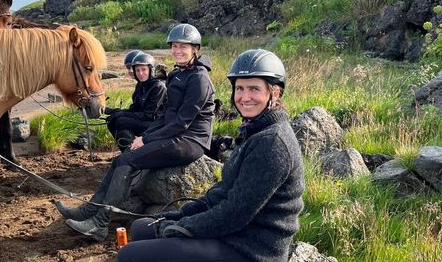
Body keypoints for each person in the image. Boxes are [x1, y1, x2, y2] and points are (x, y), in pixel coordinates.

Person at [117, 49, 305, 262]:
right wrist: (175, 216)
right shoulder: (255, 130)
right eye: (240, 88)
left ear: (275, 93)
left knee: (130, 255)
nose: (245, 97)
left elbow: (234, 213)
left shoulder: (272, 143)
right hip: (236, 234)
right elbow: (222, 193)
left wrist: (182, 228)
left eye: (254, 89)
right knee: (143, 227)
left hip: (252, 249)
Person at [55, 23, 215, 241]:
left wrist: (147, 138)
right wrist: (144, 137)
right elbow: (165, 116)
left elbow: (181, 123)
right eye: (174, 46)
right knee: (120, 160)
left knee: (127, 162)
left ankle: (100, 224)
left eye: (183, 47)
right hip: (175, 136)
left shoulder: (199, 78)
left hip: (190, 141)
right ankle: (88, 211)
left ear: (195, 48)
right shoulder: (178, 75)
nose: (177, 50)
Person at [105, 52, 167, 151]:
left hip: (157, 124)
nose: (140, 73)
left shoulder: (158, 86)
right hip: (146, 120)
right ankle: (128, 152)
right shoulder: (141, 85)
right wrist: (110, 111)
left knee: (121, 121)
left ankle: (134, 153)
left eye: (143, 70)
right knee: (111, 120)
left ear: (151, 70)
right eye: (137, 70)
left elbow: (149, 115)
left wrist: (119, 115)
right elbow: (133, 109)